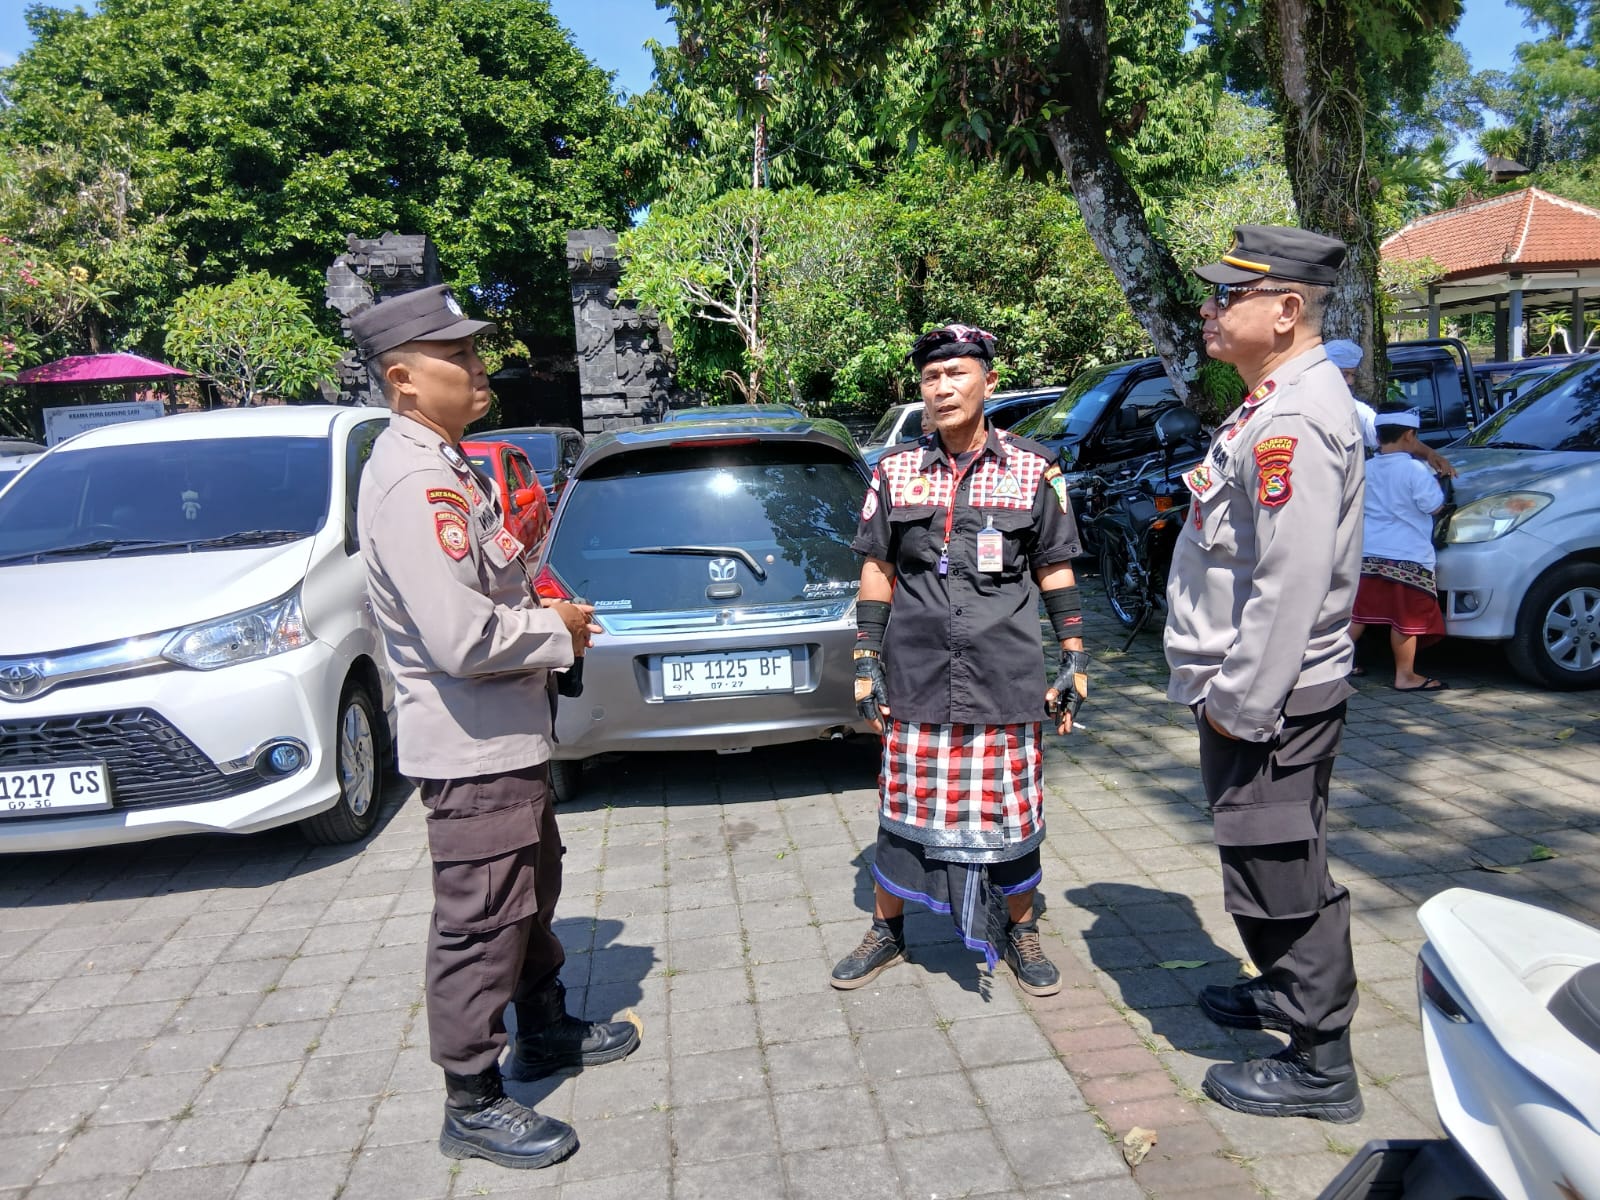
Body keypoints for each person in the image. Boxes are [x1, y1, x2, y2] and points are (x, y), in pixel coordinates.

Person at [352, 285, 641, 1171]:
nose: (479, 367)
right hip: (472, 747)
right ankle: (471, 1101)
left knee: (526, 893)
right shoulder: (416, 481)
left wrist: (549, 611)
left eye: (474, 351)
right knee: (480, 921)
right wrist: (561, 632)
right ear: (402, 380)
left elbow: (491, 586)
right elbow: (463, 637)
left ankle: (543, 1028)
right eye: (458, 356)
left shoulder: (444, 462)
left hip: (504, 737)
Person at [1164, 226, 1366, 1123]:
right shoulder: (1273, 400)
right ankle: (1284, 992)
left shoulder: (1292, 419)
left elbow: (1290, 582)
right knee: (1277, 858)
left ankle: (1322, 1065)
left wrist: (1237, 707)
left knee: (1278, 872)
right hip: (1262, 690)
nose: (1208, 309)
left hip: (1265, 698)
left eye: (1227, 296)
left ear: (1287, 310)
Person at [831, 323, 1090, 997]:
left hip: (1005, 676)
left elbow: (1055, 567)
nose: (943, 388)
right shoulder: (894, 472)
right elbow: (878, 569)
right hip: (916, 674)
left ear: (989, 382)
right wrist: (866, 660)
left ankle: (1021, 929)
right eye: (931, 377)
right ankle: (887, 930)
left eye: (957, 374)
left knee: (1012, 811)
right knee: (903, 809)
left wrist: (1074, 656)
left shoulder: (1035, 469)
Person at [1349, 407, 1449, 691]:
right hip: (1407, 554)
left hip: (1368, 552)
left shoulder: (1365, 468)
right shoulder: (1415, 470)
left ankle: (1332, 665)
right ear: (1409, 435)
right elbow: (1433, 506)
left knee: (1358, 614)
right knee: (1404, 618)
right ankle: (1405, 675)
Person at [1324, 339, 1457, 478]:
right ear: (1326, 372)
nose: (1350, 382)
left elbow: (1394, 435)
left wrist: (1430, 455)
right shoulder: (1308, 404)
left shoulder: (1355, 410)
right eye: (1344, 374)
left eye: (1352, 375)